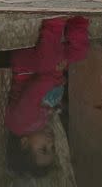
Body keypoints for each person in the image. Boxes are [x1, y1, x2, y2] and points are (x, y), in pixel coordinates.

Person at [5, 16, 89, 177]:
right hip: (47, 70)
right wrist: (58, 74)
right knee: (78, 54)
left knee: (48, 59)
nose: (51, 143)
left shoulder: (20, 123)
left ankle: (55, 20)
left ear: (24, 143)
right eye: (52, 148)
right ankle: (79, 20)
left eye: (43, 148)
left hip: (27, 66)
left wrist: (53, 75)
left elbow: (33, 92)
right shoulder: (40, 123)